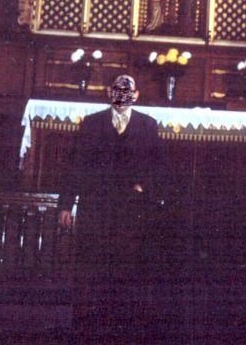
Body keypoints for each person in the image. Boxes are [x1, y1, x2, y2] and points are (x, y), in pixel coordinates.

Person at [58, 75, 166, 341]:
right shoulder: (92, 124)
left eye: (127, 92)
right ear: (109, 93)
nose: (122, 96)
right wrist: (66, 205)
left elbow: (160, 169)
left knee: (128, 269)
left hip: (131, 214)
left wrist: (145, 188)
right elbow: (75, 168)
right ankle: (88, 329)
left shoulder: (148, 125)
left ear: (136, 95)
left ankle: (124, 329)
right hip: (97, 211)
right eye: (117, 91)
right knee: (92, 270)